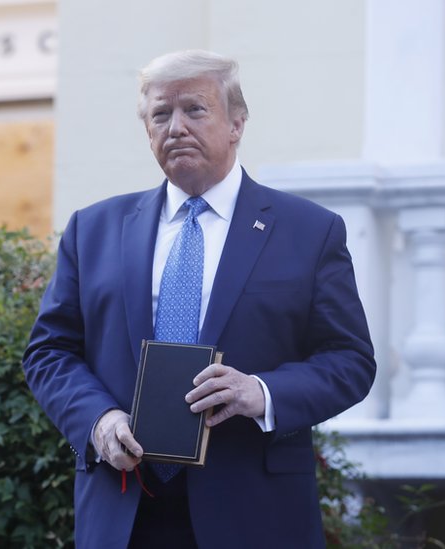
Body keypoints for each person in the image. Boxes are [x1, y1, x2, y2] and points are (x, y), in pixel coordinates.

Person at [22, 49, 375, 548]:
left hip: (254, 512)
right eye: (160, 114)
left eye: (195, 109)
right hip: (123, 508)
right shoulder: (92, 230)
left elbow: (351, 361)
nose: (176, 127)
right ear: (147, 130)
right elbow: (48, 352)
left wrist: (263, 392)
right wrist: (97, 420)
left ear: (237, 124)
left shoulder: (309, 231)